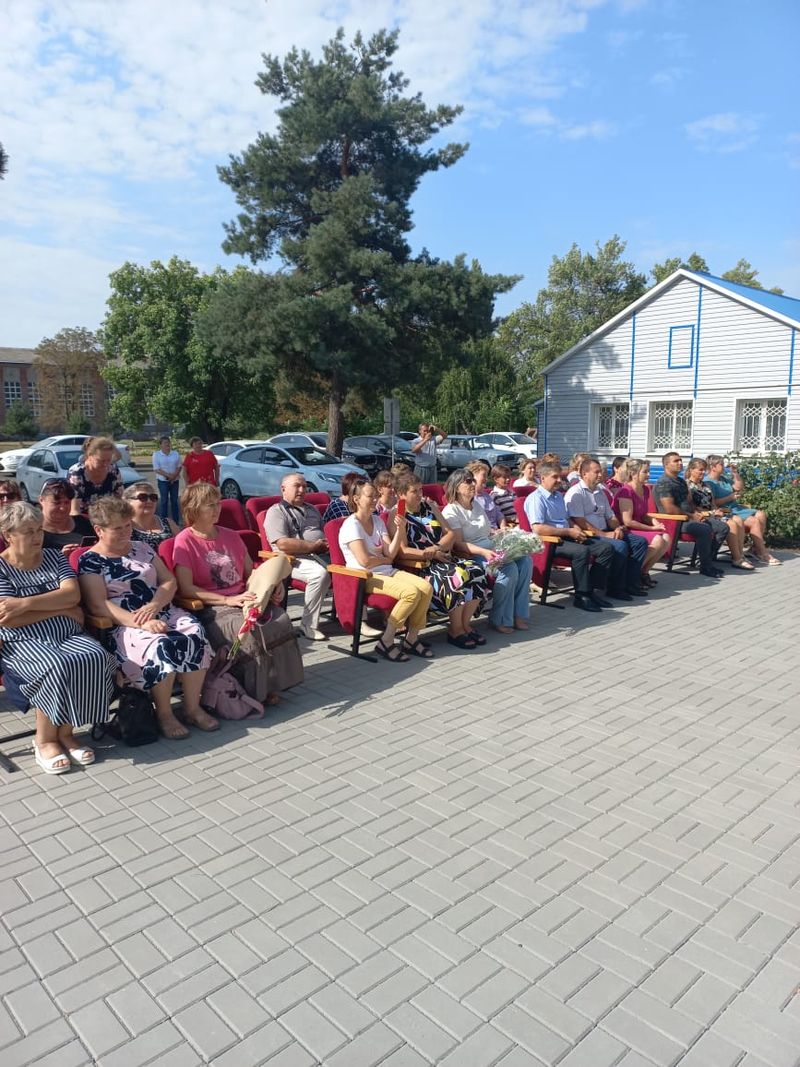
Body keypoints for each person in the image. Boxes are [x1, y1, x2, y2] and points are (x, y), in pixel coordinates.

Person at [78, 496, 216, 739]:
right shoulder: (91, 560)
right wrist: (142, 622)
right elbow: (98, 605)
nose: (125, 532)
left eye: (127, 526)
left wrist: (155, 605)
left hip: (160, 610)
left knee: (194, 632)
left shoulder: (141, 548)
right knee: (160, 644)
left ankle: (192, 708)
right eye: (117, 528)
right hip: (122, 623)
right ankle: (164, 714)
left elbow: (168, 581)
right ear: (99, 530)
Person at [0, 502, 115, 775]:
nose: (37, 537)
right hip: (22, 641)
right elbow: (8, 618)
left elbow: (72, 595)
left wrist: (25, 603)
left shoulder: (54, 557)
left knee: (94, 656)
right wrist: (61, 608)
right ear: (8, 535)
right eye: (28, 531)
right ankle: (44, 740)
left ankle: (66, 733)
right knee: (56, 664)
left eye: (39, 530)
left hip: (67, 633)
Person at [174, 483, 303, 705]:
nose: (217, 509)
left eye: (217, 503)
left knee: (280, 619)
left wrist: (272, 585)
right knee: (248, 631)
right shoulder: (185, 541)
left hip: (244, 597)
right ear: (193, 509)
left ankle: (275, 682)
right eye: (209, 505)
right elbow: (186, 588)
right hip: (212, 606)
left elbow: (250, 573)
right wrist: (227, 599)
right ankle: (254, 690)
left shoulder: (231, 535)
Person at [339, 481, 433, 661]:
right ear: (356, 499)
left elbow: (390, 553)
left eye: (376, 496)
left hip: (386, 571)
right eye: (370, 496)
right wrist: (384, 559)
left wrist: (400, 530)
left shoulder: (377, 520)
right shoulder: (351, 525)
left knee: (426, 588)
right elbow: (365, 561)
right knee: (411, 593)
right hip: (365, 577)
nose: (375, 499)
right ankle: (387, 641)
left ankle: (411, 639)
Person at [394, 471, 489, 650]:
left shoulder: (429, 507)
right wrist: (428, 553)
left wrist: (436, 548)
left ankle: (465, 625)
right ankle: (455, 630)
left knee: (477, 570)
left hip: (442, 557)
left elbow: (450, 534)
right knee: (457, 576)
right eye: (414, 491)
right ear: (401, 494)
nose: (420, 494)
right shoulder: (397, 515)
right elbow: (403, 551)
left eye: (420, 490)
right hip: (421, 565)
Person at [442, 468, 533, 634]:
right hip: (472, 554)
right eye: (468, 481)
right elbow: (458, 545)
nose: (473, 483)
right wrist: (483, 552)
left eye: (472, 480)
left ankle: (518, 614)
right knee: (509, 568)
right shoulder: (451, 511)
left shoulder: (476, 505)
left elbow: (485, 530)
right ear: (456, 487)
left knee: (525, 561)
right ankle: (499, 618)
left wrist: (499, 534)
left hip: (490, 546)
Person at [525, 460, 617, 613]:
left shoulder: (557, 496)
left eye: (560, 477)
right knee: (581, 551)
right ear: (543, 478)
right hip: (549, 542)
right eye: (555, 477)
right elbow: (538, 528)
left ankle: (591, 590)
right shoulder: (536, 498)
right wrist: (568, 532)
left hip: (566, 536)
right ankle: (581, 596)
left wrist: (575, 529)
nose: (559, 480)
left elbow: (566, 519)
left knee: (605, 548)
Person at [565, 458, 649, 600]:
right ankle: (614, 588)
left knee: (640, 542)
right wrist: (604, 535)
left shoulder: (599, 491)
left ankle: (630, 583)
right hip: (590, 534)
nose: (600, 475)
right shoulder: (576, 493)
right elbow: (580, 521)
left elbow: (610, 516)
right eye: (596, 472)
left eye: (601, 471)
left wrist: (618, 528)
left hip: (606, 530)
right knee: (620, 546)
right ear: (584, 473)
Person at [264, 474, 332, 641]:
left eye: (304, 486)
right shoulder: (276, 512)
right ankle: (308, 625)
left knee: (353, 568)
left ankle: (358, 621)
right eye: (297, 486)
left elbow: (324, 532)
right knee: (319, 574)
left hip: (320, 555)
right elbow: (283, 544)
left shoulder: (312, 509)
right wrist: (313, 546)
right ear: (283, 489)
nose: (302, 490)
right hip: (292, 560)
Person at [652, 452, 724, 578]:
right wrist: (691, 516)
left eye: (680, 460)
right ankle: (705, 567)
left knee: (722, 527)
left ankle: (706, 560)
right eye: (676, 461)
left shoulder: (680, 481)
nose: (680, 463)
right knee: (704, 529)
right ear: (666, 464)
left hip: (688, 517)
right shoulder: (664, 482)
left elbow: (689, 503)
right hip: (675, 522)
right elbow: (669, 509)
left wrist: (697, 513)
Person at [705, 455, 780, 566]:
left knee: (761, 514)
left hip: (736, 508)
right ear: (713, 467)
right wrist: (730, 498)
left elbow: (739, 487)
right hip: (725, 510)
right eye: (721, 464)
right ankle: (763, 553)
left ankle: (755, 549)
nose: (724, 466)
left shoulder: (723, 479)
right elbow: (713, 503)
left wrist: (735, 474)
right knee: (754, 521)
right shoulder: (708, 482)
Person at [685, 459, 755, 570]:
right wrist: (712, 512)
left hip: (713, 513)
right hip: (701, 515)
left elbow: (712, 503)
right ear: (691, 470)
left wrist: (716, 510)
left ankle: (740, 554)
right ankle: (737, 559)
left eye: (704, 470)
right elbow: (691, 506)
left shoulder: (706, 485)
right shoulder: (687, 486)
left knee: (738, 520)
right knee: (731, 524)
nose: (703, 472)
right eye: (700, 470)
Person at [613, 460, 670, 586]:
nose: (649, 474)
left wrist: (655, 522)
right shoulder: (626, 492)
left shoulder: (645, 489)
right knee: (658, 540)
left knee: (666, 538)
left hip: (638, 526)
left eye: (649, 471)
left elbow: (643, 515)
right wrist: (653, 529)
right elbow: (628, 521)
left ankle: (643, 572)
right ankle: (631, 573)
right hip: (624, 529)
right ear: (634, 474)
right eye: (645, 472)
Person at [68, 436, 124, 516]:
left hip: (109, 517)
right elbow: (75, 510)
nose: (106, 464)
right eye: (101, 461)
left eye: (108, 460)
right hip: (84, 517)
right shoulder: (77, 473)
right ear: (90, 455)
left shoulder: (113, 470)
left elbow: (120, 499)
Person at [39, 478, 94, 554]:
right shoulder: (32, 530)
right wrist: (60, 558)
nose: (63, 508)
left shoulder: (85, 524)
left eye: (67, 502)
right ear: (41, 500)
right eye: (57, 503)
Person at [125, 481, 179, 549]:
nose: (149, 501)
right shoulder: (124, 528)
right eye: (143, 497)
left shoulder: (169, 523)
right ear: (128, 502)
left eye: (153, 497)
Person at [466, 461, 505, 530]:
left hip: (497, 531)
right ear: (473, 477)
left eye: (487, 476)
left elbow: (499, 514)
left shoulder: (487, 496)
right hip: (482, 533)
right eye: (484, 475)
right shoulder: (469, 499)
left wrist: (503, 527)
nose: (486, 479)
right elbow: (474, 523)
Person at [152, 435, 182, 523]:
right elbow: (156, 469)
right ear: (160, 445)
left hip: (175, 481)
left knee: (174, 501)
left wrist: (174, 476)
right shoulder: (156, 455)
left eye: (168, 442)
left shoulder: (175, 453)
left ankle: (176, 521)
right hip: (163, 481)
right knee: (164, 501)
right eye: (165, 443)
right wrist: (169, 476)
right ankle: (163, 522)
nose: (167, 444)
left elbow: (179, 466)